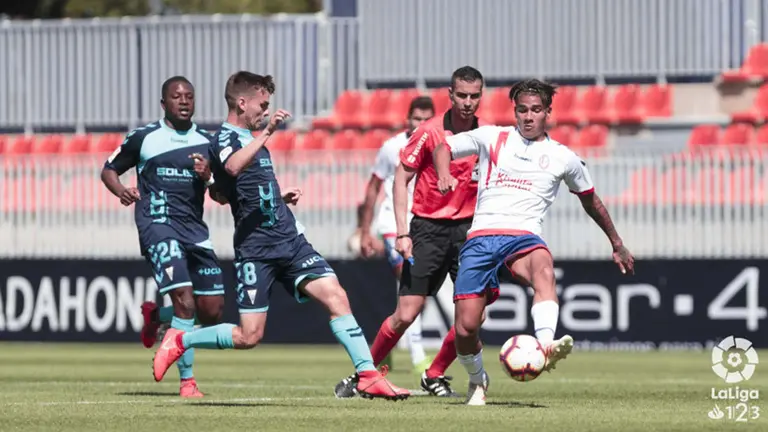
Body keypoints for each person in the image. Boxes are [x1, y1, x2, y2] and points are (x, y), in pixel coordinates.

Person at [151, 71, 409, 401]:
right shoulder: (225, 139)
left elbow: (230, 192)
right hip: (256, 250)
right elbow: (232, 168)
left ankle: (367, 375)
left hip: (290, 240)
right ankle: (181, 340)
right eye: (262, 105)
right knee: (249, 336)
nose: (265, 111)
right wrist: (268, 132)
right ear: (241, 103)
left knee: (336, 296)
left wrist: (277, 196)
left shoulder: (255, 144)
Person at [433, 78, 636, 406]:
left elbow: (591, 201)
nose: (528, 117)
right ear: (515, 112)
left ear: (547, 113)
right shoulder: (492, 137)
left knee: (543, 269)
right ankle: (477, 379)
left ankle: (544, 345)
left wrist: (617, 242)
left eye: (536, 110)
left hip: (523, 236)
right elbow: (443, 147)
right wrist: (444, 173)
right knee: (466, 328)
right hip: (482, 236)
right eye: (523, 110)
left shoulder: (562, 157)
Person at [334, 66, 487, 399]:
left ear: (481, 96)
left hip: (469, 232)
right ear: (450, 95)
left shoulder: (486, 135)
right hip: (428, 230)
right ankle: (364, 375)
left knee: (473, 318)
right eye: (462, 95)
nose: (467, 102)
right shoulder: (429, 131)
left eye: (474, 96)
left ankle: (434, 374)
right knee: (406, 313)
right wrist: (403, 233)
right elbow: (401, 178)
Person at [100, 76, 225, 398]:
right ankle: (188, 382)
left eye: (189, 96)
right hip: (157, 226)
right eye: (176, 96)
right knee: (185, 301)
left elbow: (222, 196)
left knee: (211, 311)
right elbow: (109, 169)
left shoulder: (207, 142)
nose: (184, 101)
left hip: (194, 231)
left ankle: (156, 317)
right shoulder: (144, 138)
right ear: (163, 103)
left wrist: (209, 178)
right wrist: (121, 191)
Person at [356, 95, 436, 375]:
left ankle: (384, 343)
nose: (421, 124)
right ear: (407, 119)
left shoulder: (440, 146)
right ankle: (419, 358)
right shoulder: (392, 147)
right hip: (393, 224)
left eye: (427, 119)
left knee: (416, 294)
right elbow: (373, 187)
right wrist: (365, 231)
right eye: (417, 118)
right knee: (411, 283)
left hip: (424, 225)